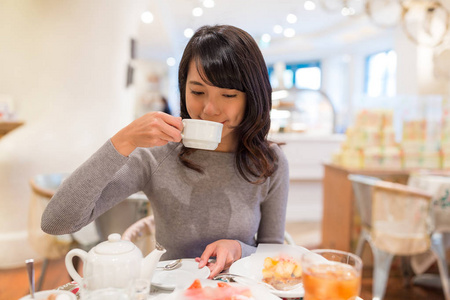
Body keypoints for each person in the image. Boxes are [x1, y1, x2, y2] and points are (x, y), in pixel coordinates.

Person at [41, 24, 289, 278]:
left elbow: (274, 252)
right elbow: (57, 222)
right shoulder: (158, 154)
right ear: (183, 89)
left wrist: (240, 249)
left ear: (253, 96)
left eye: (228, 94)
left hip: (244, 291)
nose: (209, 109)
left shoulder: (269, 161)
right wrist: (123, 141)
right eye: (197, 91)